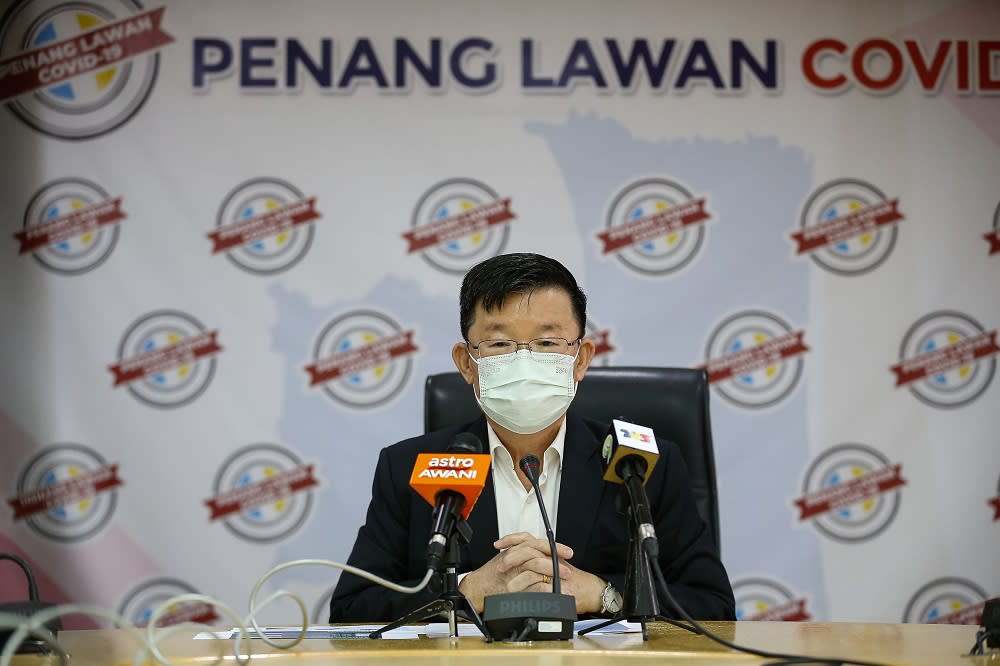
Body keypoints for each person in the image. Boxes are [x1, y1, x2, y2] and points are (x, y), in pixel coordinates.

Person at [329, 252, 735, 622]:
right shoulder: (410, 466)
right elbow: (351, 610)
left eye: (546, 343)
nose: (524, 361)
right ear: (466, 363)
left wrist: (606, 594)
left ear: (582, 359)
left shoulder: (640, 463)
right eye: (500, 343)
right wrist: (464, 592)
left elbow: (713, 606)